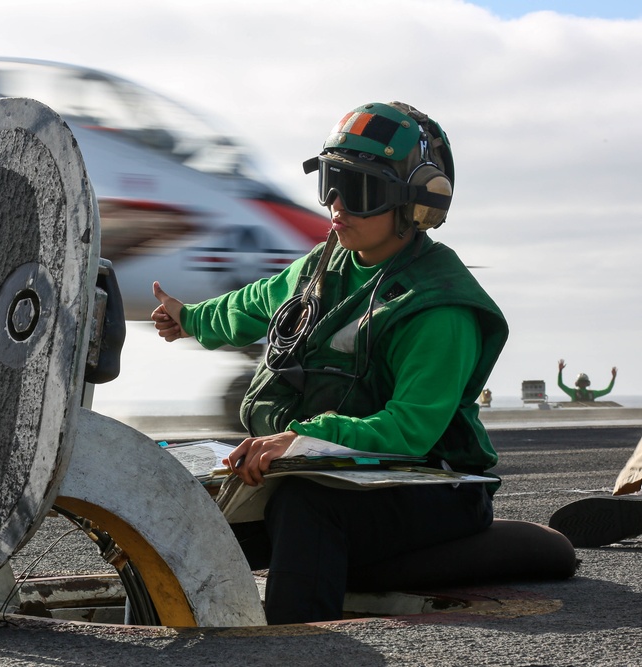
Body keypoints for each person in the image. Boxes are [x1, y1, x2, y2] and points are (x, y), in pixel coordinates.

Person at [151, 101, 509, 624]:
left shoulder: (439, 307)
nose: (337, 206)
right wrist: (190, 319)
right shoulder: (324, 267)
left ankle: (299, 650)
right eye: (331, 185)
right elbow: (252, 304)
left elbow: (412, 430)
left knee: (305, 504)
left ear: (416, 203)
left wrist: (302, 440)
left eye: (359, 190)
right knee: (182, 503)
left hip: (432, 484)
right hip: (333, 465)